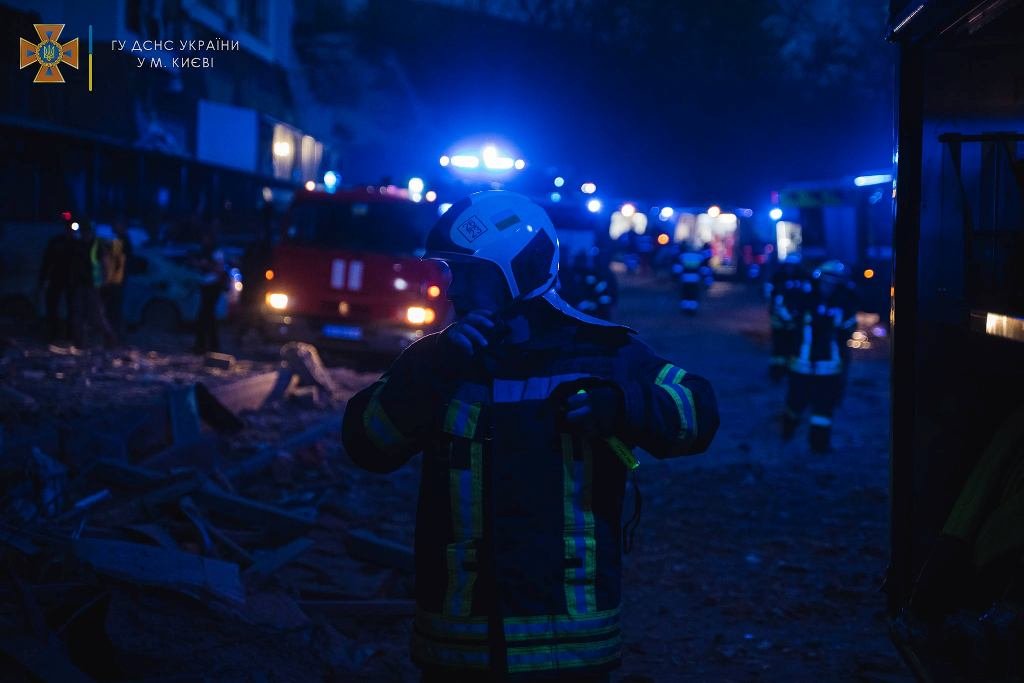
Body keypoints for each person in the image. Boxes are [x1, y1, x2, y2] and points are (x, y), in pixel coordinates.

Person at [341, 191, 719, 681]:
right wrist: (432, 372)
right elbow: (367, 444)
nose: (453, 290)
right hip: (459, 644)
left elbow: (700, 412)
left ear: (514, 272)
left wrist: (626, 406)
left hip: (569, 644)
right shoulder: (438, 359)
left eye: (469, 274)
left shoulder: (603, 354)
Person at [781, 260, 858, 453]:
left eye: (835, 280)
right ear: (819, 277)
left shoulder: (845, 300)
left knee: (823, 408)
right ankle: (787, 431)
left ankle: (819, 445)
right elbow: (786, 316)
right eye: (827, 279)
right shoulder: (804, 297)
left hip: (830, 366)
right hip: (801, 363)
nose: (830, 284)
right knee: (795, 402)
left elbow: (848, 328)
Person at [70, 220, 118, 348]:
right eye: (84, 232)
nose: (85, 234)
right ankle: (80, 344)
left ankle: (110, 339)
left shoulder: (97, 245)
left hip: (93, 286)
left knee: (96, 316)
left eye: (87, 231)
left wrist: (106, 283)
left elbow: (105, 264)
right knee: (78, 315)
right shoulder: (78, 245)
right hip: (80, 284)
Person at [38, 220, 80, 343]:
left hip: (71, 280)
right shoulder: (56, 242)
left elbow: (82, 264)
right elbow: (47, 261)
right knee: (52, 306)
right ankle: (53, 333)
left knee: (72, 308)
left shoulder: (77, 244)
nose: (70, 232)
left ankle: (69, 335)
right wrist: (43, 279)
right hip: (57, 278)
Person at [766, 254, 806, 382]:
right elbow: (770, 296)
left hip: (795, 322)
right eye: (788, 266)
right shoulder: (778, 278)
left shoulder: (803, 278)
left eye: (793, 266)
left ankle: (791, 372)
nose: (790, 269)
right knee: (779, 349)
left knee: (794, 347)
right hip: (779, 322)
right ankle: (776, 373)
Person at [192, 230, 227, 354]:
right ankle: (206, 345)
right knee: (206, 316)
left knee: (206, 316)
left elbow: (219, 269)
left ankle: (208, 345)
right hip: (205, 285)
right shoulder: (203, 251)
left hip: (213, 286)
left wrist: (206, 265)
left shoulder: (216, 252)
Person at [101, 216, 131, 337]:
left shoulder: (122, 242)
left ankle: (115, 337)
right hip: (116, 281)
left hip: (116, 282)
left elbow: (116, 261)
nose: (114, 226)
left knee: (113, 311)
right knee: (113, 310)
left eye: (116, 224)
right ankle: (114, 336)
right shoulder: (120, 241)